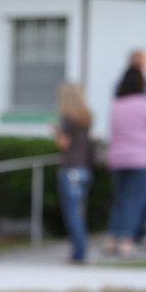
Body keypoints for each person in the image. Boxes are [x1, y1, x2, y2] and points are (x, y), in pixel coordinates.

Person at [106, 68, 146, 257]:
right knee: (135, 200)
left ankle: (111, 238)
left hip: (118, 158)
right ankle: (126, 240)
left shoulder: (117, 105)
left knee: (121, 199)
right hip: (141, 157)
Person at [53, 82, 94, 263]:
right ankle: (80, 250)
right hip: (84, 169)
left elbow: (64, 144)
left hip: (71, 169)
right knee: (79, 212)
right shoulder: (86, 117)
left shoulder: (67, 118)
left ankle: (78, 253)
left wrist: (56, 132)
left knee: (72, 214)